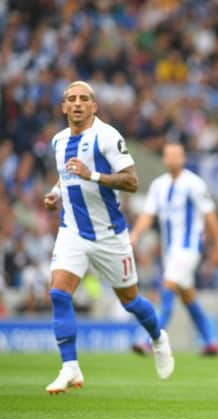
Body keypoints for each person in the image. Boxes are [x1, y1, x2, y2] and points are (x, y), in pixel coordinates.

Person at [44, 81, 174, 394]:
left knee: (130, 301)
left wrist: (93, 175)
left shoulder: (106, 136)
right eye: (71, 99)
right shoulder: (58, 141)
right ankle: (70, 367)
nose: (77, 104)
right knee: (59, 293)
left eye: (83, 99)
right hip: (72, 230)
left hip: (109, 236)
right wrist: (54, 194)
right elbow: (66, 178)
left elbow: (132, 181)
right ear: (63, 107)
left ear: (94, 106)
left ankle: (158, 337)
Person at [130, 143, 218, 355]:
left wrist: (217, 249)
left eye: (177, 155)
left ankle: (149, 339)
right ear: (164, 159)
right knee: (188, 297)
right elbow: (147, 215)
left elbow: (210, 217)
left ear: (183, 158)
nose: (172, 159)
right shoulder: (158, 185)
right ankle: (210, 340)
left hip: (188, 249)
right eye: (168, 155)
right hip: (169, 252)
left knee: (167, 289)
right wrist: (135, 234)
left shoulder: (194, 183)